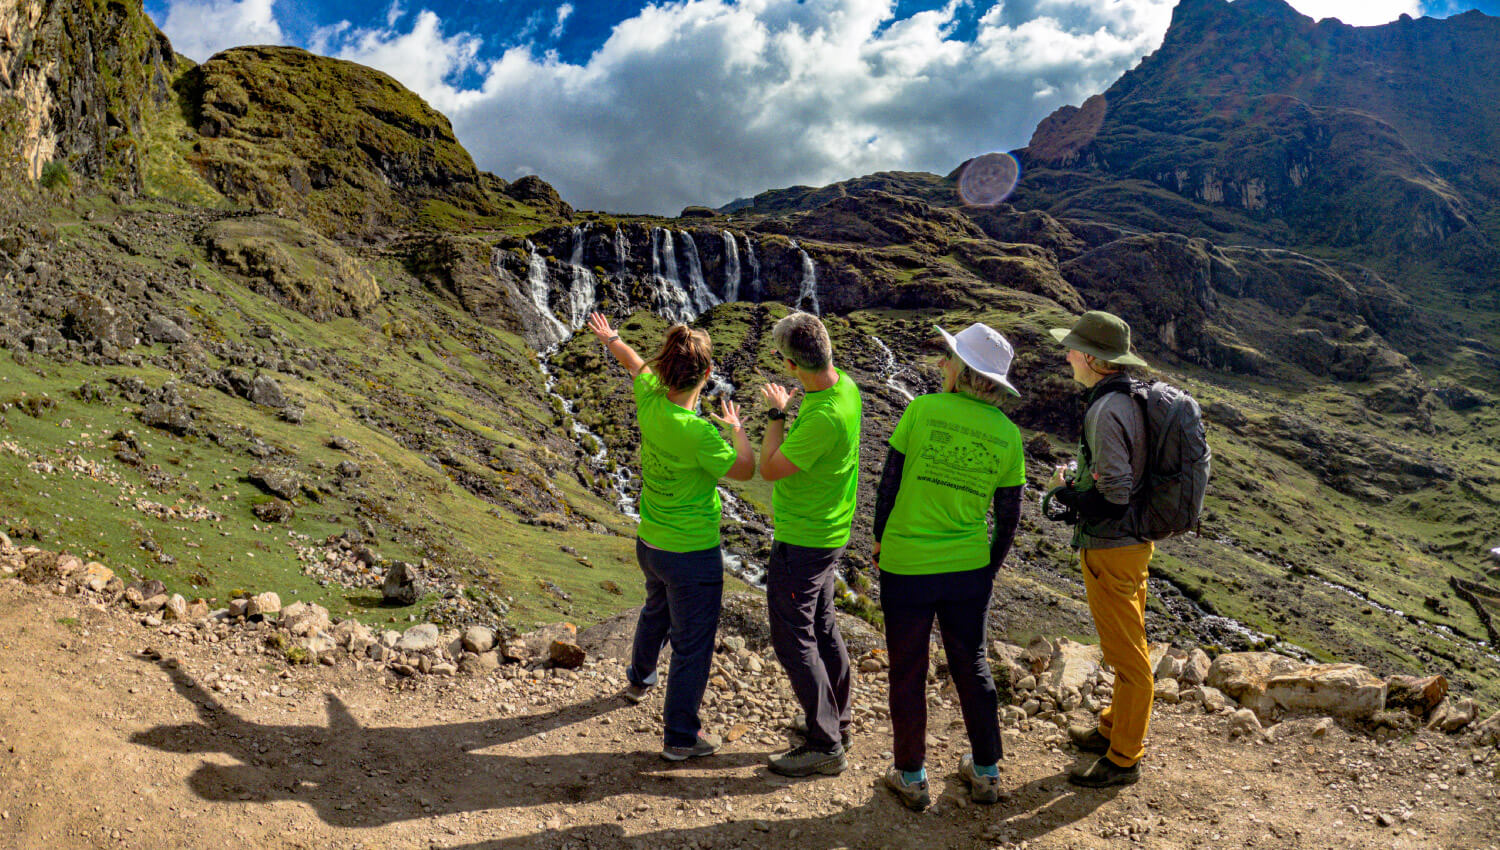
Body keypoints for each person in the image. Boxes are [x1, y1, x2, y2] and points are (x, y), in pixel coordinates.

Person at [587, 311, 755, 762]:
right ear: (708, 374)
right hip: (692, 553)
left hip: (651, 542)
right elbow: (745, 469)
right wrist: (738, 432)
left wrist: (612, 338)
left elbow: (633, 364)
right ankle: (680, 737)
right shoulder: (700, 433)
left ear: (665, 368)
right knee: (692, 645)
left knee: (655, 608)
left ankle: (640, 679)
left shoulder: (650, 398)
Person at [873, 323, 1026, 811]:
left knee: (908, 669)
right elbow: (1008, 518)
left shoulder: (921, 410)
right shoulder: (1009, 434)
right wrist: (987, 570)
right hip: (967, 570)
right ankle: (986, 772)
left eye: (949, 357)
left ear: (964, 371)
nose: (942, 363)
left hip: (906, 564)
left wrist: (879, 542)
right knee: (971, 663)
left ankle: (912, 776)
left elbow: (889, 484)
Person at [1046, 310, 1153, 788]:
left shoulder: (1107, 409)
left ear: (1092, 358)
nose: (1067, 354)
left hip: (1112, 547)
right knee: (1127, 645)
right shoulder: (1124, 399)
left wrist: (1066, 494)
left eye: (1072, 348)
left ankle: (1124, 758)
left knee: (1128, 657)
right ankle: (1113, 728)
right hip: (1130, 545)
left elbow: (1113, 495)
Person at [757, 311, 862, 778]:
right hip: (831, 531)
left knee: (792, 637)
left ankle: (825, 744)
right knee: (821, 625)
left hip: (804, 539)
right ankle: (837, 720)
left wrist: (777, 414)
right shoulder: (847, 388)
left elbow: (771, 467)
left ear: (792, 365)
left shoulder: (822, 416)